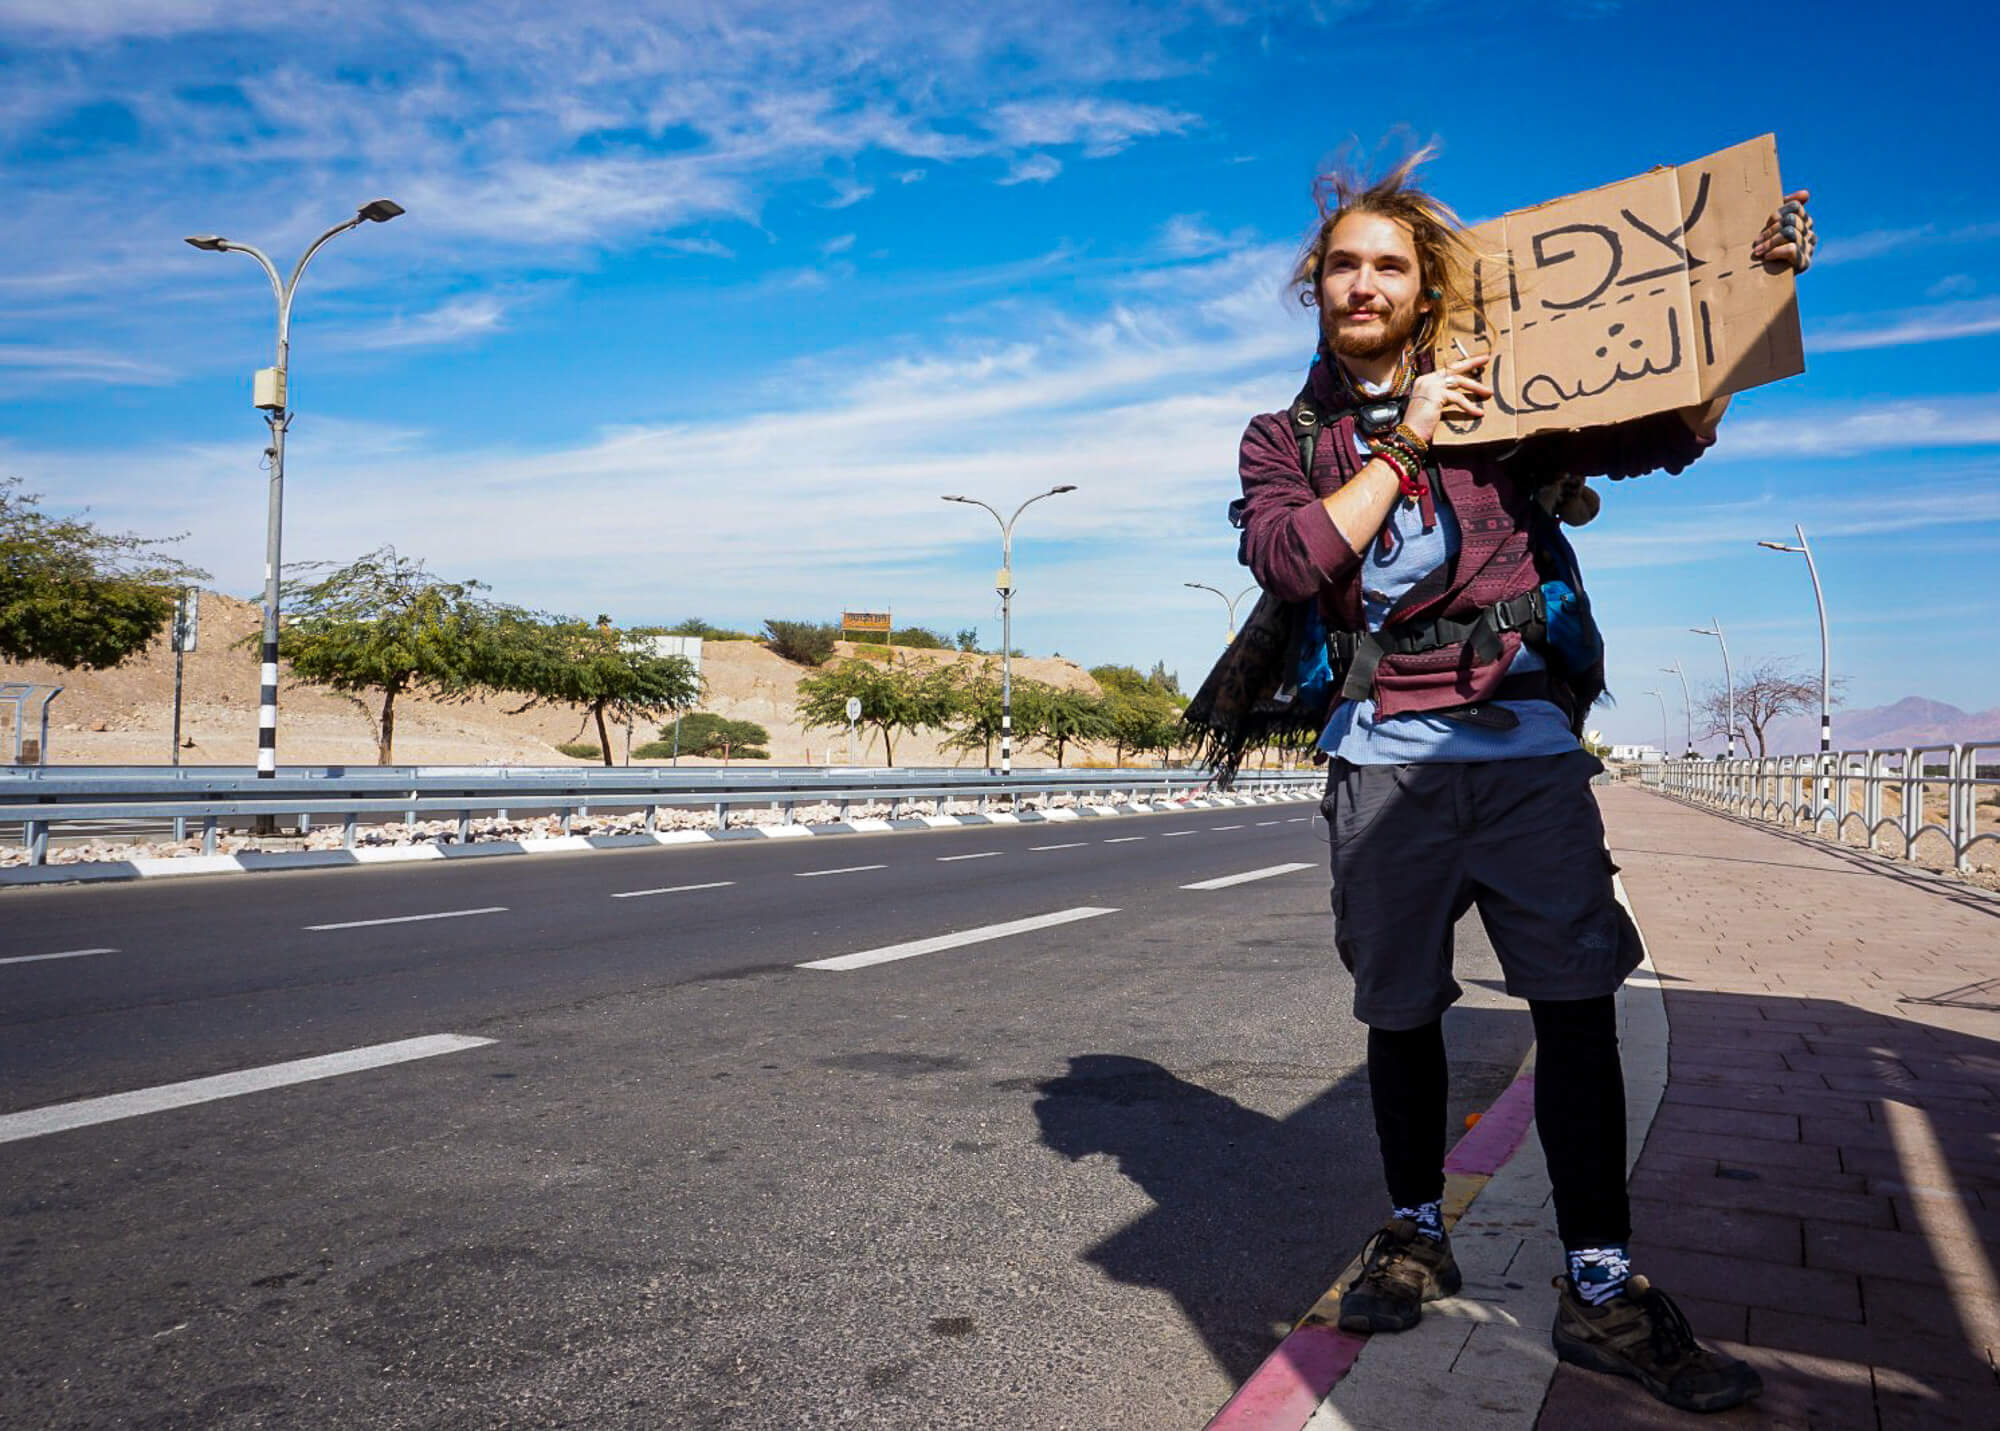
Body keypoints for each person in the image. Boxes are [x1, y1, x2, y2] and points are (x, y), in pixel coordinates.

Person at [1231, 151, 1814, 1415]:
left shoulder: (1511, 393)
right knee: (1399, 1012)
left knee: (1574, 1008)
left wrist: (1747, 292)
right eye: (1344, 265)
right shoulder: (1285, 439)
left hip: (1525, 753)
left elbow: (1660, 423)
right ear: (1315, 288)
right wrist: (1402, 442)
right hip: (1380, 761)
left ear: (1424, 283)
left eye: (1390, 264)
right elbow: (1290, 558)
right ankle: (1412, 1231)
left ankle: (1600, 1291)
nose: (1365, 283)